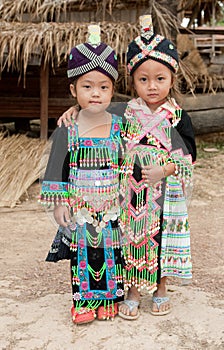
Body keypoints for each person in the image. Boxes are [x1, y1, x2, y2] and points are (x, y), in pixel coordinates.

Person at [57, 15, 196, 320]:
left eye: (160, 78)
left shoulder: (177, 117)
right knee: (130, 241)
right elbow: (96, 113)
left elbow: (189, 155)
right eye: (143, 79)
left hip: (165, 194)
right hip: (130, 194)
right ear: (132, 80)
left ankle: (161, 289)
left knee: (160, 242)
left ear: (172, 78)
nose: (152, 86)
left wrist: (165, 170)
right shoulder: (126, 113)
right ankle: (131, 292)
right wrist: (75, 110)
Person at [39, 25, 124, 325]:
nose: (96, 94)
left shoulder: (119, 126)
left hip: (111, 203)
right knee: (82, 254)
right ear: (74, 90)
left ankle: (109, 298)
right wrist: (59, 202)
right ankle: (82, 301)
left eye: (103, 87)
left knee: (110, 252)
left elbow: (129, 162)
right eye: (87, 87)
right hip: (80, 204)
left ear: (113, 90)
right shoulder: (68, 127)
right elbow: (57, 165)